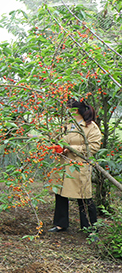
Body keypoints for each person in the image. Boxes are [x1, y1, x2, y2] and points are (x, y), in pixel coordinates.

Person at [48, 98, 102, 233]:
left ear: (75, 110)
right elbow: (56, 138)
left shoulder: (90, 126)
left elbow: (93, 147)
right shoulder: (67, 125)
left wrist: (72, 148)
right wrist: (57, 146)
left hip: (78, 166)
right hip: (63, 165)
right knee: (60, 194)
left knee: (83, 196)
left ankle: (89, 227)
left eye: (68, 108)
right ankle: (61, 224)